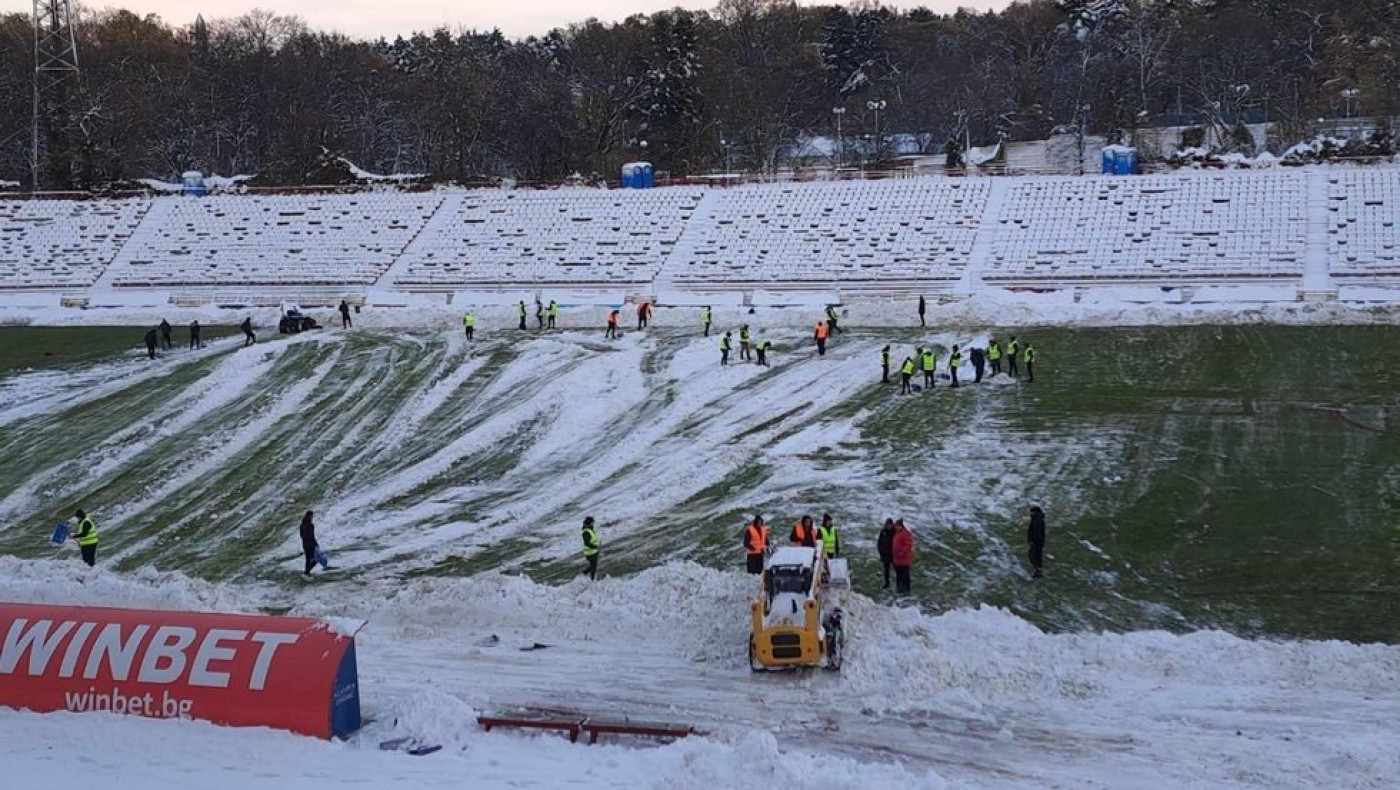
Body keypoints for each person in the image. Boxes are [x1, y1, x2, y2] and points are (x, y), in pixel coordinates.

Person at [892, 518, 914, 594]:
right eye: (895, 526)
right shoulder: (896, 534)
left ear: (901, 526)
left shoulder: (905, 533)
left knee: (904, 575)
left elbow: (908, 544)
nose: (896, 527)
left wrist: (903, 552)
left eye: (897, 526)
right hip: (897, 559)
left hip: (904, 559)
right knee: (898, 575)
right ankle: (899, 589)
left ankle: (906, 590)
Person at [1027, 505, 1046, 578]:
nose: (1030, 513)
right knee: (1037, 556)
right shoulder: (1037, 519)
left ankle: (1038, 571)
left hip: (1036, 542)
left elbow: (1036, 532)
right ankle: (1038, 571)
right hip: (1038, 542)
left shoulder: (1037, 520)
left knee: (1033, 556)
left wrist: (1033, 542)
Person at [877, 518, 896, 589]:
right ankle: (887, 583)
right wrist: (880, 551)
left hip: (893, 555)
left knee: (897, 569)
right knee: (886, 570)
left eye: (890, 525)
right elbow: (879, 542)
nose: (889, 526)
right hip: (885, 555)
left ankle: (899, 583)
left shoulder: (894, 532)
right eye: (888, 525)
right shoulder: (883, 532)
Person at [299, 510, 318, 576]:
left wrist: (315, 543)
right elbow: (311, 536)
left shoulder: (303, 525)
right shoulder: (310, 525)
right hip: (310, 545)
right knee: (315, 559)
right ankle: (307, 572)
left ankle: (307, 573)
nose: (312, 517)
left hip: (305, 545)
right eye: (312, 516)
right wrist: (315, 543)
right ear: (309, 516)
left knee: (308, 560)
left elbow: (302, 536)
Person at [582, 516, 600, 580]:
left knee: (593, 565)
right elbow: (587, 542)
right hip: (590, 552)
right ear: (589, 523)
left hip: (594, 551)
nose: (593, 524)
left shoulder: (590, 530)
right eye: (592, 522)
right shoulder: (586, 532)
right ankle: (592, 579)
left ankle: (586, 573)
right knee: (593, 566)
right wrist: (594, 546)